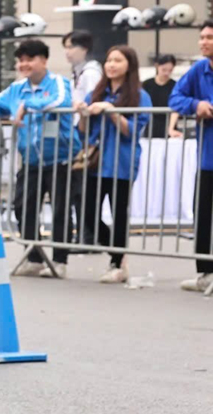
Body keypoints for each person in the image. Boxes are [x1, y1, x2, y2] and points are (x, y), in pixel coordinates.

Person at [0, 37, 81, 278]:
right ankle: (34, 256)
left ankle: (59, 260)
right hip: (31, 161)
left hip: (61, 159)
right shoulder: (17, 87)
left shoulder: (57, 82)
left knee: (60, 210)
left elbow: (60, 101)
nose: (24, 65)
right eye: (21, 61)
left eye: (30, 59)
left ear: (44, 60)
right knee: (22, 206)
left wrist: (28, 105)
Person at [76, 44, 152, 283]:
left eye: (117, 60)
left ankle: (117, 264)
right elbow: (83, 131)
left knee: (119, 214)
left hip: (122, 163)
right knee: (88, 215)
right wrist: (83, 114)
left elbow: (133, 130)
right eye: (109, 60)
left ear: (129, 65)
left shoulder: (140, 96)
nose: (111, 65)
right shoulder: (96, 93)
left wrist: (111, 111)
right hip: (95, 163)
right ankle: (118, 253)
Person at [168, 22, 213, 293]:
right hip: (207, 158)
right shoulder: (199, 70)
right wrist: (197, 105)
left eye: (209, 37)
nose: (204, 42)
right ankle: (205, 272)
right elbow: (176, 97)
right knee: (203, 214)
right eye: (202, 37)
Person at [143, 54, 181, 139]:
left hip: (169, 124)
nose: (166, 73)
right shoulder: (147, 84)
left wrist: (170, 129)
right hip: (150, 124)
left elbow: (176, 108)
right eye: (164, 70)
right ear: (157, 66)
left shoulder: (175, 86)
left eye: (170, 70)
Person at [63, 31, 102, 102]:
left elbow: (93, 99)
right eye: (65, 48)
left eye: (70, 47)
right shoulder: (76, 72)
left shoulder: (91, 73)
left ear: (84, 49)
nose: (66, 52)